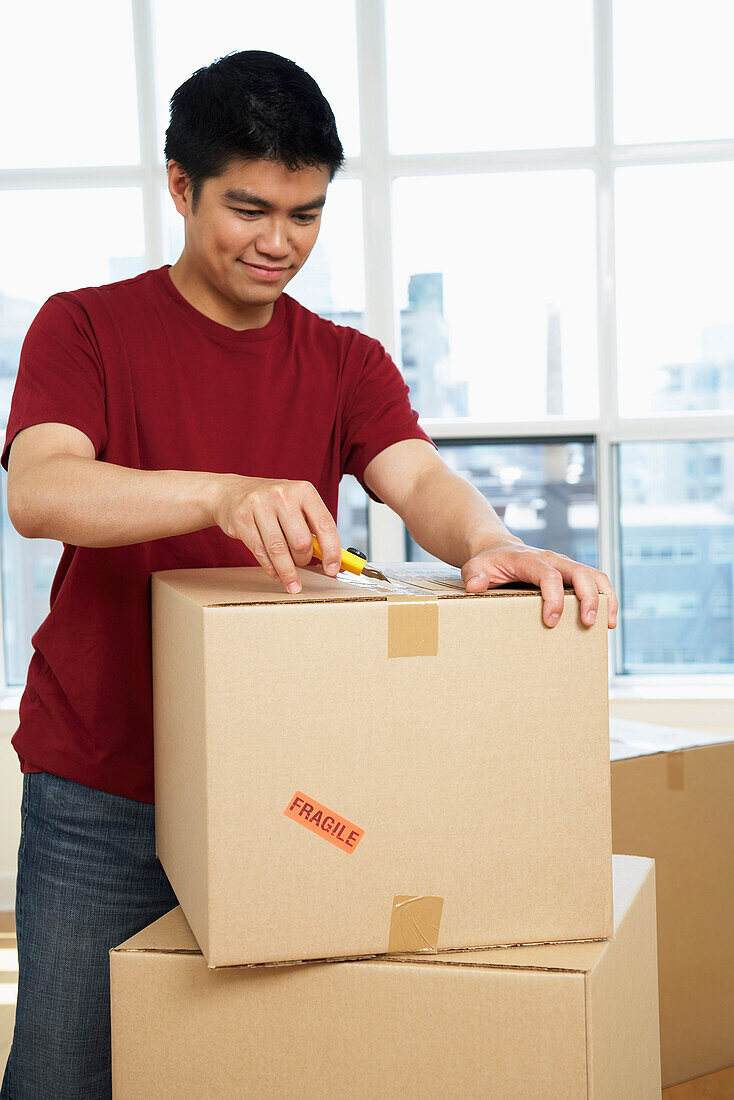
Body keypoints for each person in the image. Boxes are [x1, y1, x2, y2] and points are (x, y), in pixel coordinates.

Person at [0, 49, 618, 1099]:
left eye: (305, 214)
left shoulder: (344, 360)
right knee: (64, 1074)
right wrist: (216, 492)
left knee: (267, 1061)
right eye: (249, 209)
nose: (278, 243)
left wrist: (487, 544)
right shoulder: (85, 323)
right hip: (102, 786)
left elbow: (415, 477)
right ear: (180, 186)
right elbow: (41, 488)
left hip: (284, 788)